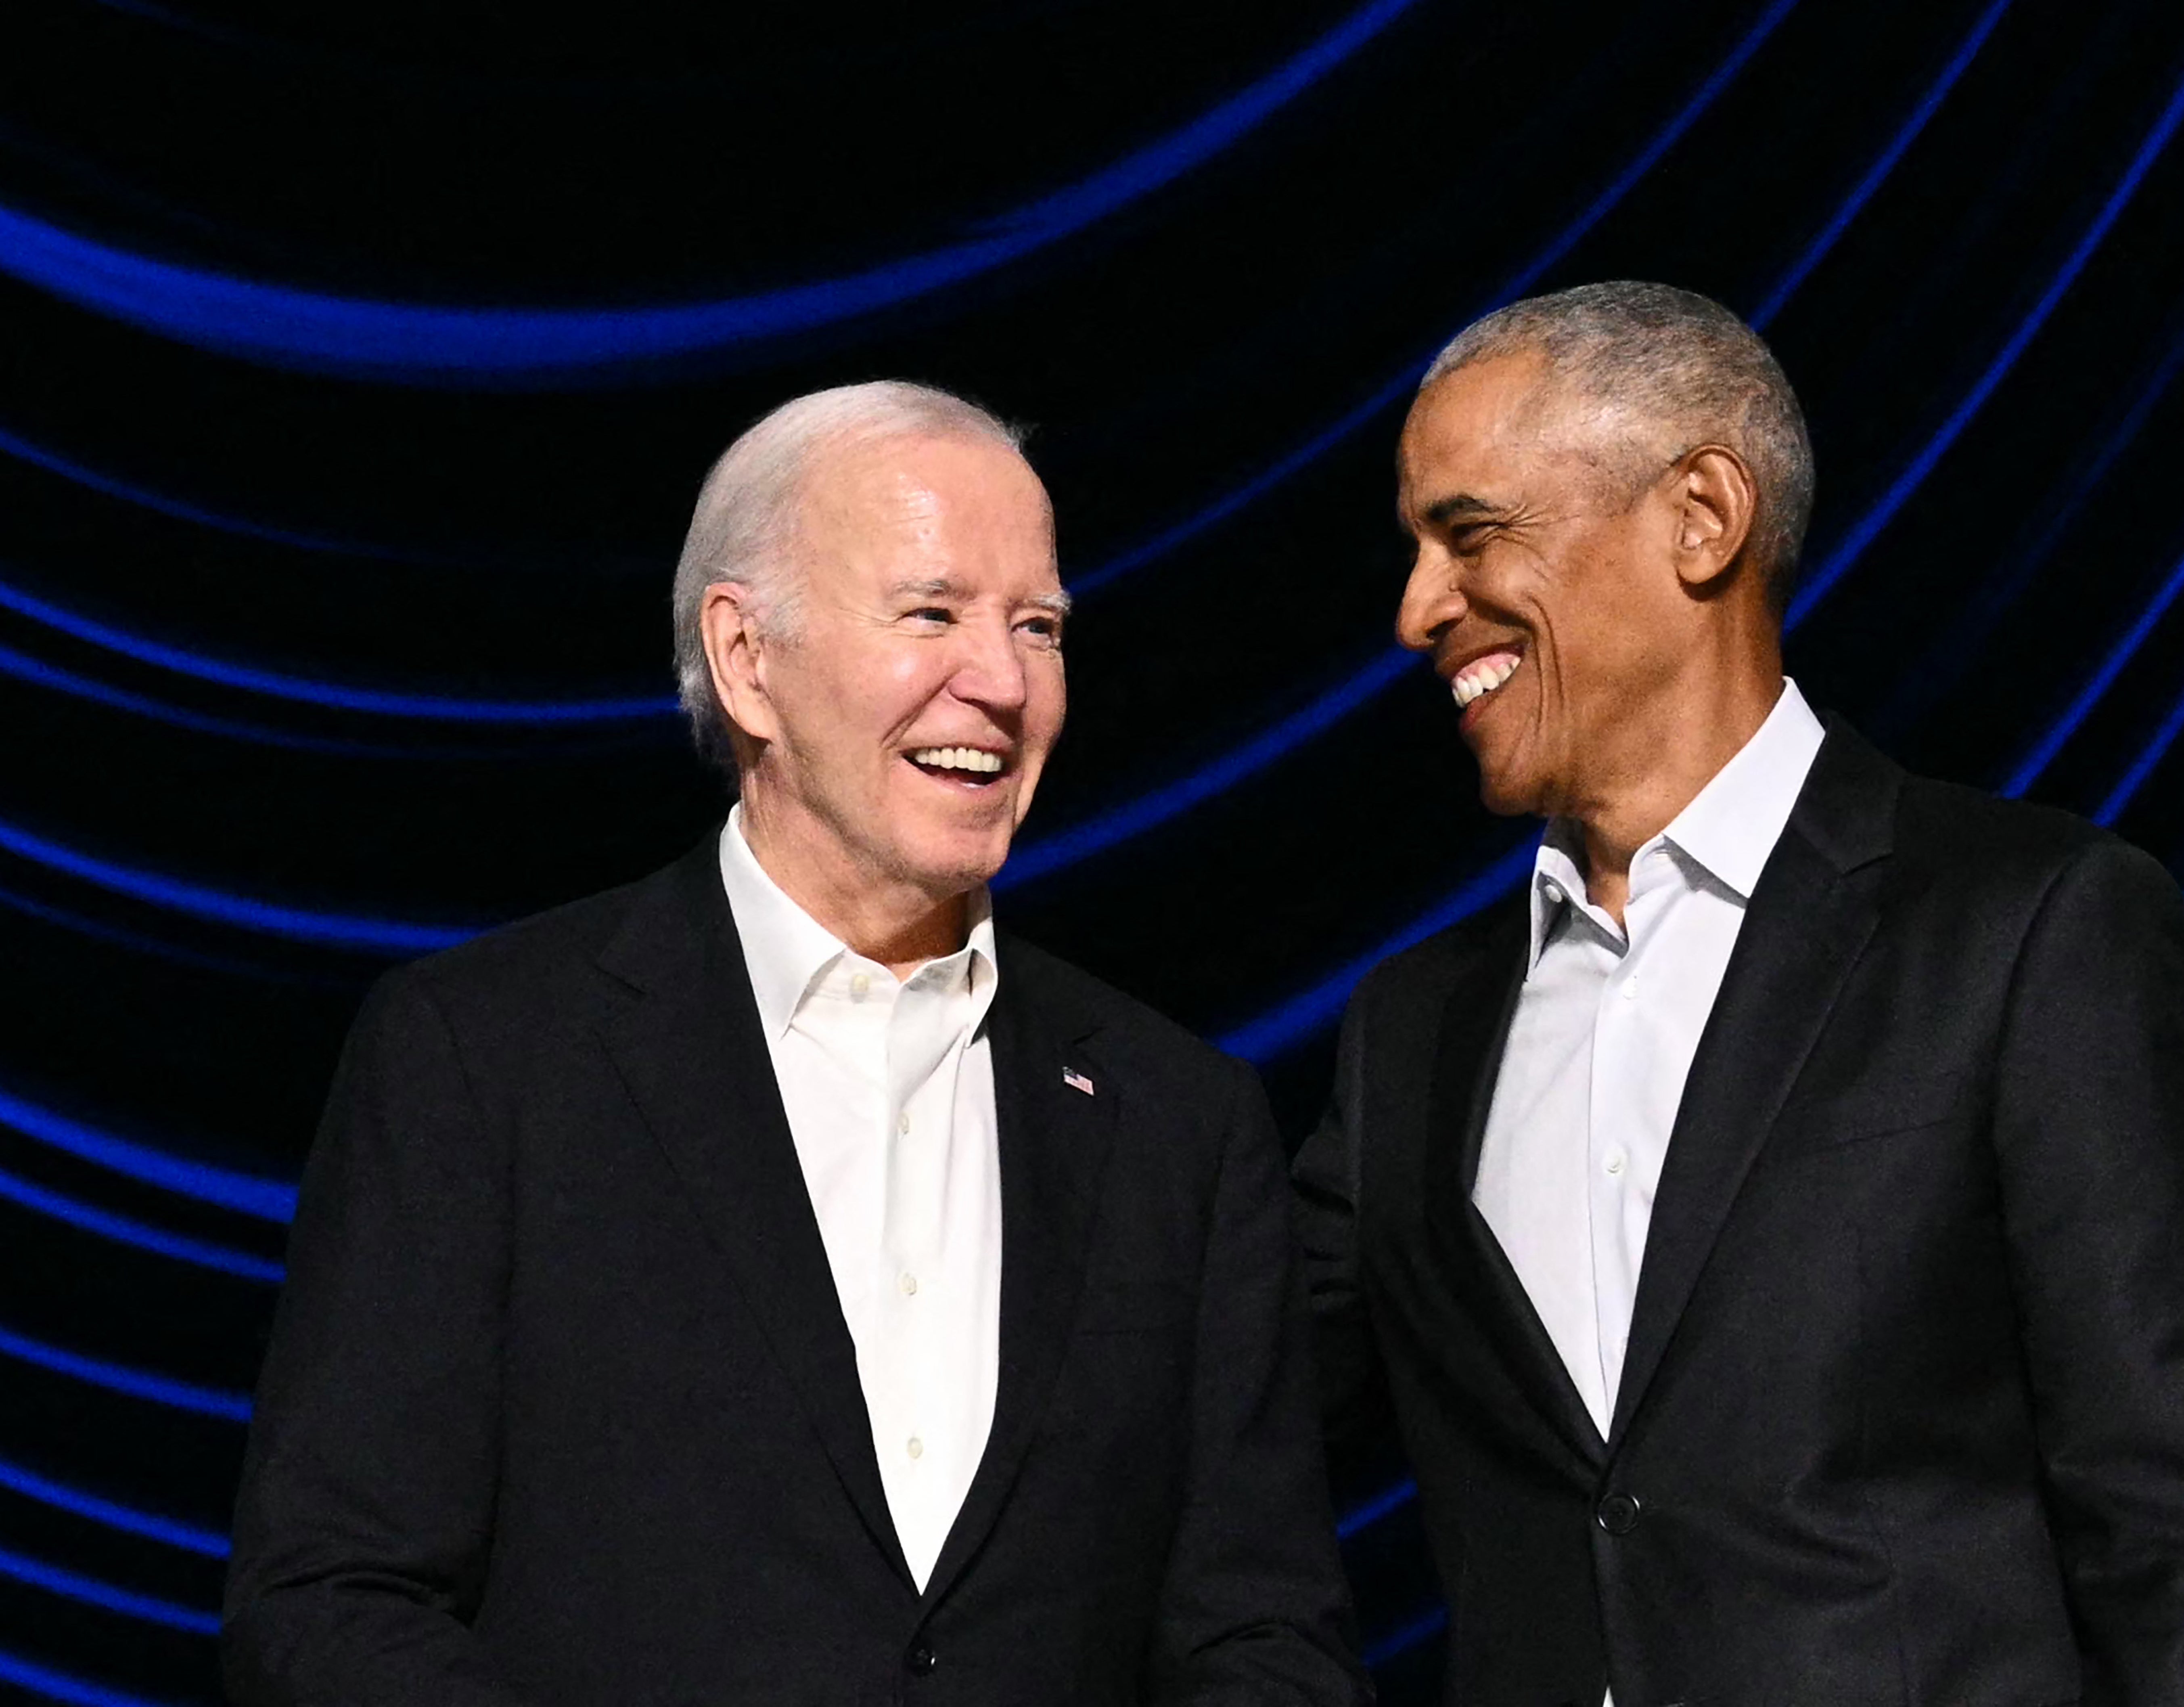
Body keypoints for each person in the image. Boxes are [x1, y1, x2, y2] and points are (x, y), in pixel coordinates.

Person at [225, 381, 1368, 1707]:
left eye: (1038, 626)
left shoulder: (1182, 1122)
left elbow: (1265, 1641)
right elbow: (329, 1602)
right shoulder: (485, 1062)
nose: (999, 682)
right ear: (747, 658)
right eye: (932, 613)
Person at [1293, 284, 2184, 1705]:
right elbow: (1212, 1416)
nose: (1415, 610)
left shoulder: (2028, 931)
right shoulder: (1411, 1037)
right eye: (1415, 550)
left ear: (1702, 517)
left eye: (1471, 535)